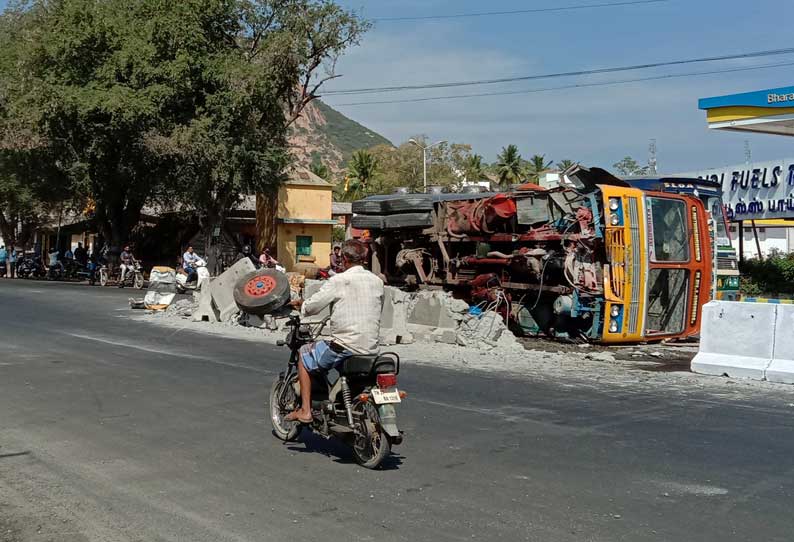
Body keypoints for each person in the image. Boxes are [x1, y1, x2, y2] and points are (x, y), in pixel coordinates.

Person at [285, 240, 384, 423]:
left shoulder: (339, 280)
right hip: (371, 348)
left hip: (345, 346)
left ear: (344, 258)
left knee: (304, 354)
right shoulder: (377, 282)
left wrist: (302, 306)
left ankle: (306, 410)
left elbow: (314, 305)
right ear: (364, 258)